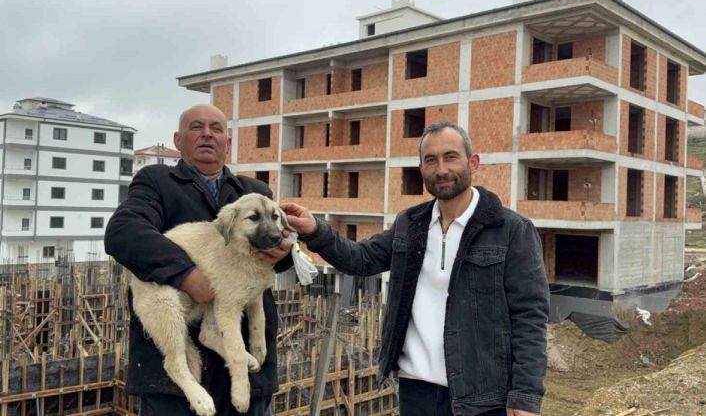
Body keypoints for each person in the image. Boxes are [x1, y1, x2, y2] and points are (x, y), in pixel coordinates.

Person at [283, 121, 549, 416]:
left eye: (451, 157)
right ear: (421, 169)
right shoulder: (410, 225)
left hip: (483, 399)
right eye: (431, 160)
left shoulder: (510, 230)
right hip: (416, 392)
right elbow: (361, 258)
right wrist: (315, 230)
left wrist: (525, 396)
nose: (441, 169)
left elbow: (529, 316)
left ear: (473, 162)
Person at [105, 104, 292, 416]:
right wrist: (186, 275)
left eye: (216, 129)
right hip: (173, 385)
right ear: (178, 140)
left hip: (247, 370)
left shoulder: (254, 191)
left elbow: (272, 254)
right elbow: (124, 232)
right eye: (196, 127)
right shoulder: (156, 181)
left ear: (227, 143)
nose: (207, 134)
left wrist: (284, 253)